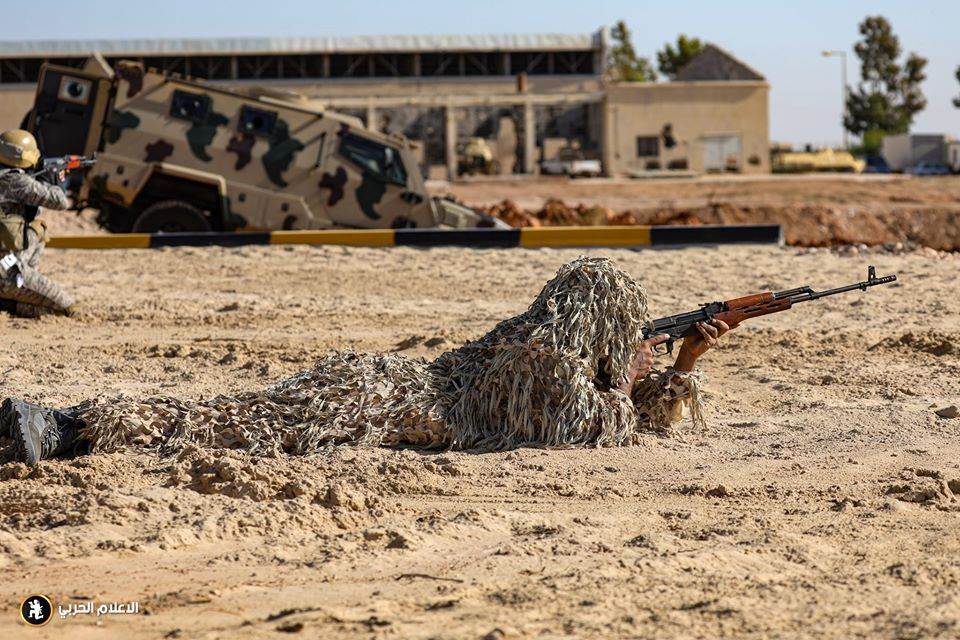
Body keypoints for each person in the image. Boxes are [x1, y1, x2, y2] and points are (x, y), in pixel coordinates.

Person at [1, 257, 733, 466]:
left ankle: (66, 426)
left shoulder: (548, 345)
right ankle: (66, 428)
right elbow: (587, 427)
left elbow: (628, 415)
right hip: (381, 399)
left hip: (385, 387)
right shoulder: (543, 358)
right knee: (239, 426)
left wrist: (688, 360)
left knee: (237, 419)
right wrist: (630, 375)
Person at [0, 129, 76, 317]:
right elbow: (60, 201)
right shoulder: (16, 180)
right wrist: (55, 179)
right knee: (66, 307)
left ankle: (21, 287)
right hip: (6, 270)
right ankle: (8, 299)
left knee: (37, 229)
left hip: (5, 261)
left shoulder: (7, 177)